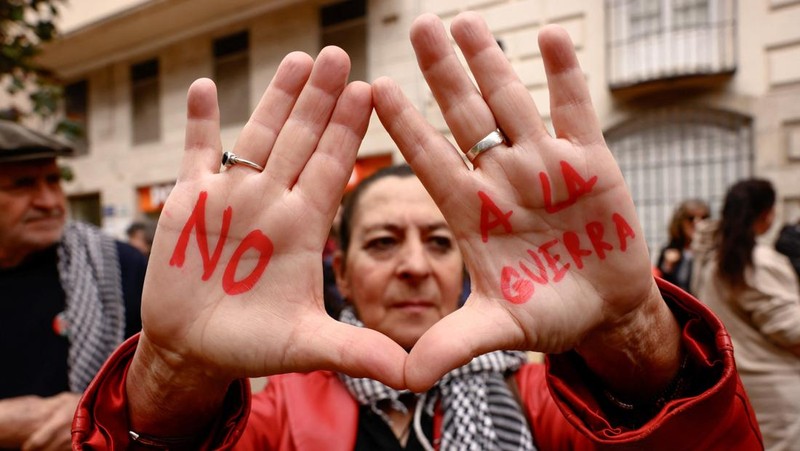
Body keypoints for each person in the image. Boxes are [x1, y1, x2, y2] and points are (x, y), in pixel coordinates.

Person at [73, 12, 761, 449]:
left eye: (438, 242)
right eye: (382, 242)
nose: (413, 265)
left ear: (468, 268)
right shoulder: (263, 412)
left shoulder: (555, 403)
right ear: (340, 273)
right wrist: (176, 371)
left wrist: (630, 328)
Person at [0, 120, 146, 450]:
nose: (49, 201)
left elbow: (168, 377)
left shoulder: (118, 267)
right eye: (23, 185)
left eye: (53, 180)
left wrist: (96, 409)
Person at [692, 179, 800, 451]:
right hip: (776, 396)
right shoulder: (759, 262)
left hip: (732, 390)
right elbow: (791, 331)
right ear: (766, 214)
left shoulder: (710, 259)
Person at [656, 199, 709, 293]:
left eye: (704, 218)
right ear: (680, 222)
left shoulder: (712, 250)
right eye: (691, 218)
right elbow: (660, 288)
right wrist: (668, 267)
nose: (697, 223)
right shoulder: (670, 250)